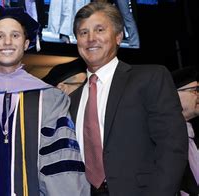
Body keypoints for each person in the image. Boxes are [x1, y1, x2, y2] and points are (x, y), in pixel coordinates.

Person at [0, 5, 90, 195]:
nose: (7, 42)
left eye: (15, 35)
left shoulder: (50, 99)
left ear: (26, 43)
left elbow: (62, 164)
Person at [69, 2, 187, 195]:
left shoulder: (150, 78)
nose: (91, 39)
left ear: (118, 36)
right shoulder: (71, 101)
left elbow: (172, 146)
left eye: (99, 30)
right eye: (83, 33)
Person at [171, 67, 199, 195]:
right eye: (195, 90)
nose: (198, 95)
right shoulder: (162, 141)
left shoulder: (194, 136)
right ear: (174, 96)